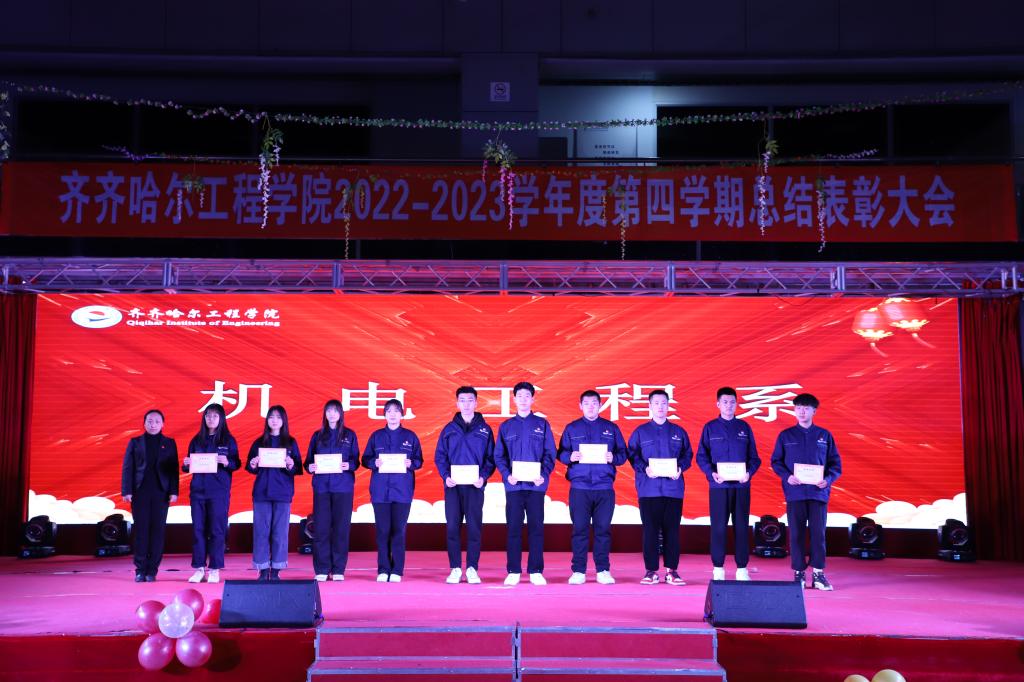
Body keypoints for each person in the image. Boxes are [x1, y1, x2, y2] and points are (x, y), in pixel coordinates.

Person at [770, 392, 842, 591]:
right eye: (798, 408)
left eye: (806, 408)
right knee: (796, 534)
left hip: (818, 493)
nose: (801, 412)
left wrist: (828, 480)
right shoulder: (786, 436)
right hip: (795, 493)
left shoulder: (824, 436)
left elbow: (835, 465)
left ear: (814, 411)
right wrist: (787, 476)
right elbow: (776, 461)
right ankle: (799, 573)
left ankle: (818, 574)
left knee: (818, 534)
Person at [558, 389, 627, 585]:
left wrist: (614, 457)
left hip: (604, 487)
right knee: (579, 529)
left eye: (594, 403)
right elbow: (560, 453)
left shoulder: (611, 428)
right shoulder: (572, 428)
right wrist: (569, 456)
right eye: (586, 403)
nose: (590, 407)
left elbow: (623, 454)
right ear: (580, 406)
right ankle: (578, 570)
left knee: (603, 530)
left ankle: (603, 570)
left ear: (600, 405)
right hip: (579, 488)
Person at [627, 390, 693, 585]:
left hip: (673, 490)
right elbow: (632, 455)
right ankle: (651, 571)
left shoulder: (678, 432)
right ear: (650, 406)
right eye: (656, 403)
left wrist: (680, 468)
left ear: (668, 405)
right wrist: (644, 468)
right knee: (650, 531)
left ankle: (672, 571)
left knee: (672, 531)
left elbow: (688, 455)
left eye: (663, 402)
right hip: (649, 489)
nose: (660, 406)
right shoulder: (640, 432)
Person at [494, 381, 557, 586]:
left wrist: (543, 474)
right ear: (514, 399)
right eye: (519, 396)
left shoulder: (542, 425)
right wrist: (507, 475)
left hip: (536, 486)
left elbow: (550, 453)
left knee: (536, 528)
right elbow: (499, 455)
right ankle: (513, 570)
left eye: (527, 396)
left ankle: (536, 570)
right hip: (514, 486)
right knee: (513, 528)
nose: (523, 399)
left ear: (532, 399)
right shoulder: (506, 426)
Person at [696, 387, 761, 581]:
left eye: (732, 402)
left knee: (741, 527)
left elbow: (754, 458)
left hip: (741, 486)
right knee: (718, 527)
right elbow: (701, 456)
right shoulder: (710, 428)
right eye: (725, 402)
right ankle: (718, 568)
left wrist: (749, 473)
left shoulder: (744, 427)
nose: (728, 405)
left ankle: (742, 568)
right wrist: (711, 473)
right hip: (719, 486)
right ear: (718, 404)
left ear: (736, 404)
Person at [435, 386, 495, 584]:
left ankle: (472, 568)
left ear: (476, 403)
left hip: (475, 487)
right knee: (452, 527)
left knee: (474, 528)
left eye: (470, 400)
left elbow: (490, 458)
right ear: (457, 403)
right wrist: (446, 476)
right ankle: (454, 568)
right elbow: (440, 457)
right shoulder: (448, 429)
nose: (466, 404)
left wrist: (483, 477)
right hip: (453, 486)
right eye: (462, 400)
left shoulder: (485, 430)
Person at [361, 399, 423, 583]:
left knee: (398, 531)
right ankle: (383, 569)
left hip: (402, 491)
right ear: (384, 415)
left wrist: (411, 463)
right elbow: (365, 459)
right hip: (380, 491)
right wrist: (374, 462)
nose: (393, 414)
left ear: (401, 414)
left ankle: (396, 570)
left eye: (396, 411)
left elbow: (419, 460)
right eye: (389, 411)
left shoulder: (410, 436)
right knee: (382, 531)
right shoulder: (376, 436)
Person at [182, 403, 240, 583]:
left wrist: (227, 462)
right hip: (198, 491)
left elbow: (236, 463)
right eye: (208, 415)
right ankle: (199, 568)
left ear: (221, 418)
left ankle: (214, 569)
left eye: (215, 416)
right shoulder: (196, 439)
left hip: (218, 492)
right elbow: (189, 465)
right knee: (198, 529)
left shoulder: (228, 440)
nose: (211, 419)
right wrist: (186, 464)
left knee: (217, 530)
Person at [304, 399, 360, 582]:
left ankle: (338, 569)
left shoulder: (350, 435)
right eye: (328, 411)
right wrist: (310, 467)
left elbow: (356, 460)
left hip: (343, 487)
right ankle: (321, 568)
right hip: (322, 487)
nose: (332, 414)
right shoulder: (317, 436)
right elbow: (308, 461)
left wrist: (349, 465)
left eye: (335, 411)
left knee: (341, 529)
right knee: (321, 528)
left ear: (341, 413)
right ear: (325, 414)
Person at [245, 405, 303, 581]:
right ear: (267, 420)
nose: (275, 420)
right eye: (271, 417)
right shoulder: (259, 442)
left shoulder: (291, 442)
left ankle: (277, 569)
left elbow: (298, 468)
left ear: (284, 420)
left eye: (278, 417)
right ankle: (262, 569)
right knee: (261, 532)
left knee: (280, 532)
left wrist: (291, 465)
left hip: (283, 493)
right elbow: (250, 466)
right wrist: (253, 464)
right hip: (262, 492)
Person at [121, 409, 179, 582]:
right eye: (150, 421)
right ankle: (140, 569)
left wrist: (174, 491)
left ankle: (152, 570)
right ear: (144, 423)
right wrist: (126, 491)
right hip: (140, 492)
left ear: (163, 424)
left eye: (157, 422)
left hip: (161, 493)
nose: (153, 425)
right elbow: (128, 467)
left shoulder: (169, 443)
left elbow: (173, 469)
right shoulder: (135, 442)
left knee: (157, 531)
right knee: (141, 530)